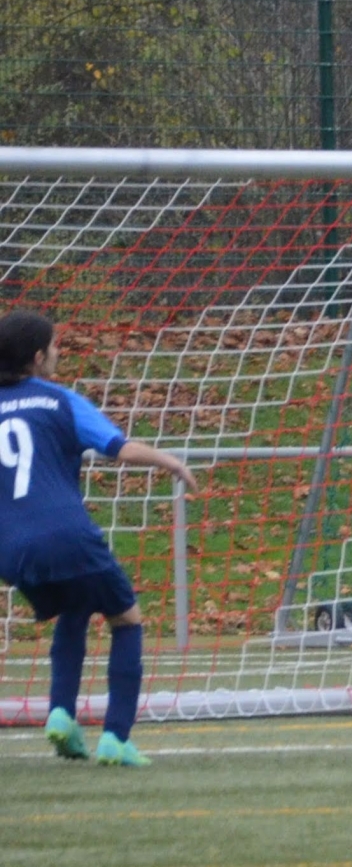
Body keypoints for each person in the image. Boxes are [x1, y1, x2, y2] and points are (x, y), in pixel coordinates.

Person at [0, 310, 197, 766]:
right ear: (37, 357)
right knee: (126, 619)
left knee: (77, 605)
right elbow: (118, 448)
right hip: (65, 532)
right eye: (54, 346)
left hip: (9, 548)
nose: (58, 352)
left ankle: (61, 715)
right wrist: (170, 461)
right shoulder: (59, 400)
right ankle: (116, 737)